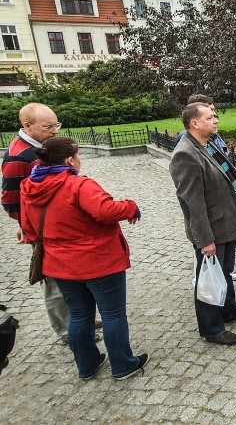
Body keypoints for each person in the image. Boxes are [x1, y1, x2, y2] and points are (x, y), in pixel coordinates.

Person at [19, 137, 147, 380]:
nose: (80, 160)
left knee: (78, 315)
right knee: (113, 314)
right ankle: (123, 365)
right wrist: (130, 206)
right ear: (69, 160)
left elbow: (28, 228)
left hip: (59, 265)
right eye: (78, 156)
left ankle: (87, 365)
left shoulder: (29, 188)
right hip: (98, 261)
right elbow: (105, 210)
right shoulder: (77, 185)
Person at [169, 103, 236, 346]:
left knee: (225, 271)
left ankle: (229, 308)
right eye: (210, 117)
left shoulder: (207, 143)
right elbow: (192, 204)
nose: (216, 120)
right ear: (194, 123)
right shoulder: (185, 154)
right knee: (208, 277)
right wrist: (205, 240)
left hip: (226, 223)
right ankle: (212, 328)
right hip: (212, 230)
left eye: (215, 116)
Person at [1, 103, 68, 342]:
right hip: (43, 230)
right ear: (27, 126)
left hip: (56, 225)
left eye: (56, 124)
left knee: (68, 276)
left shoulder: (39, 147)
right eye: (48, 126)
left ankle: (79, 319)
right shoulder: (19, 155)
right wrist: (26, 225)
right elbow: (9, 200)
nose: (55, 131)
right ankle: (66, 330)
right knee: (54, 281)